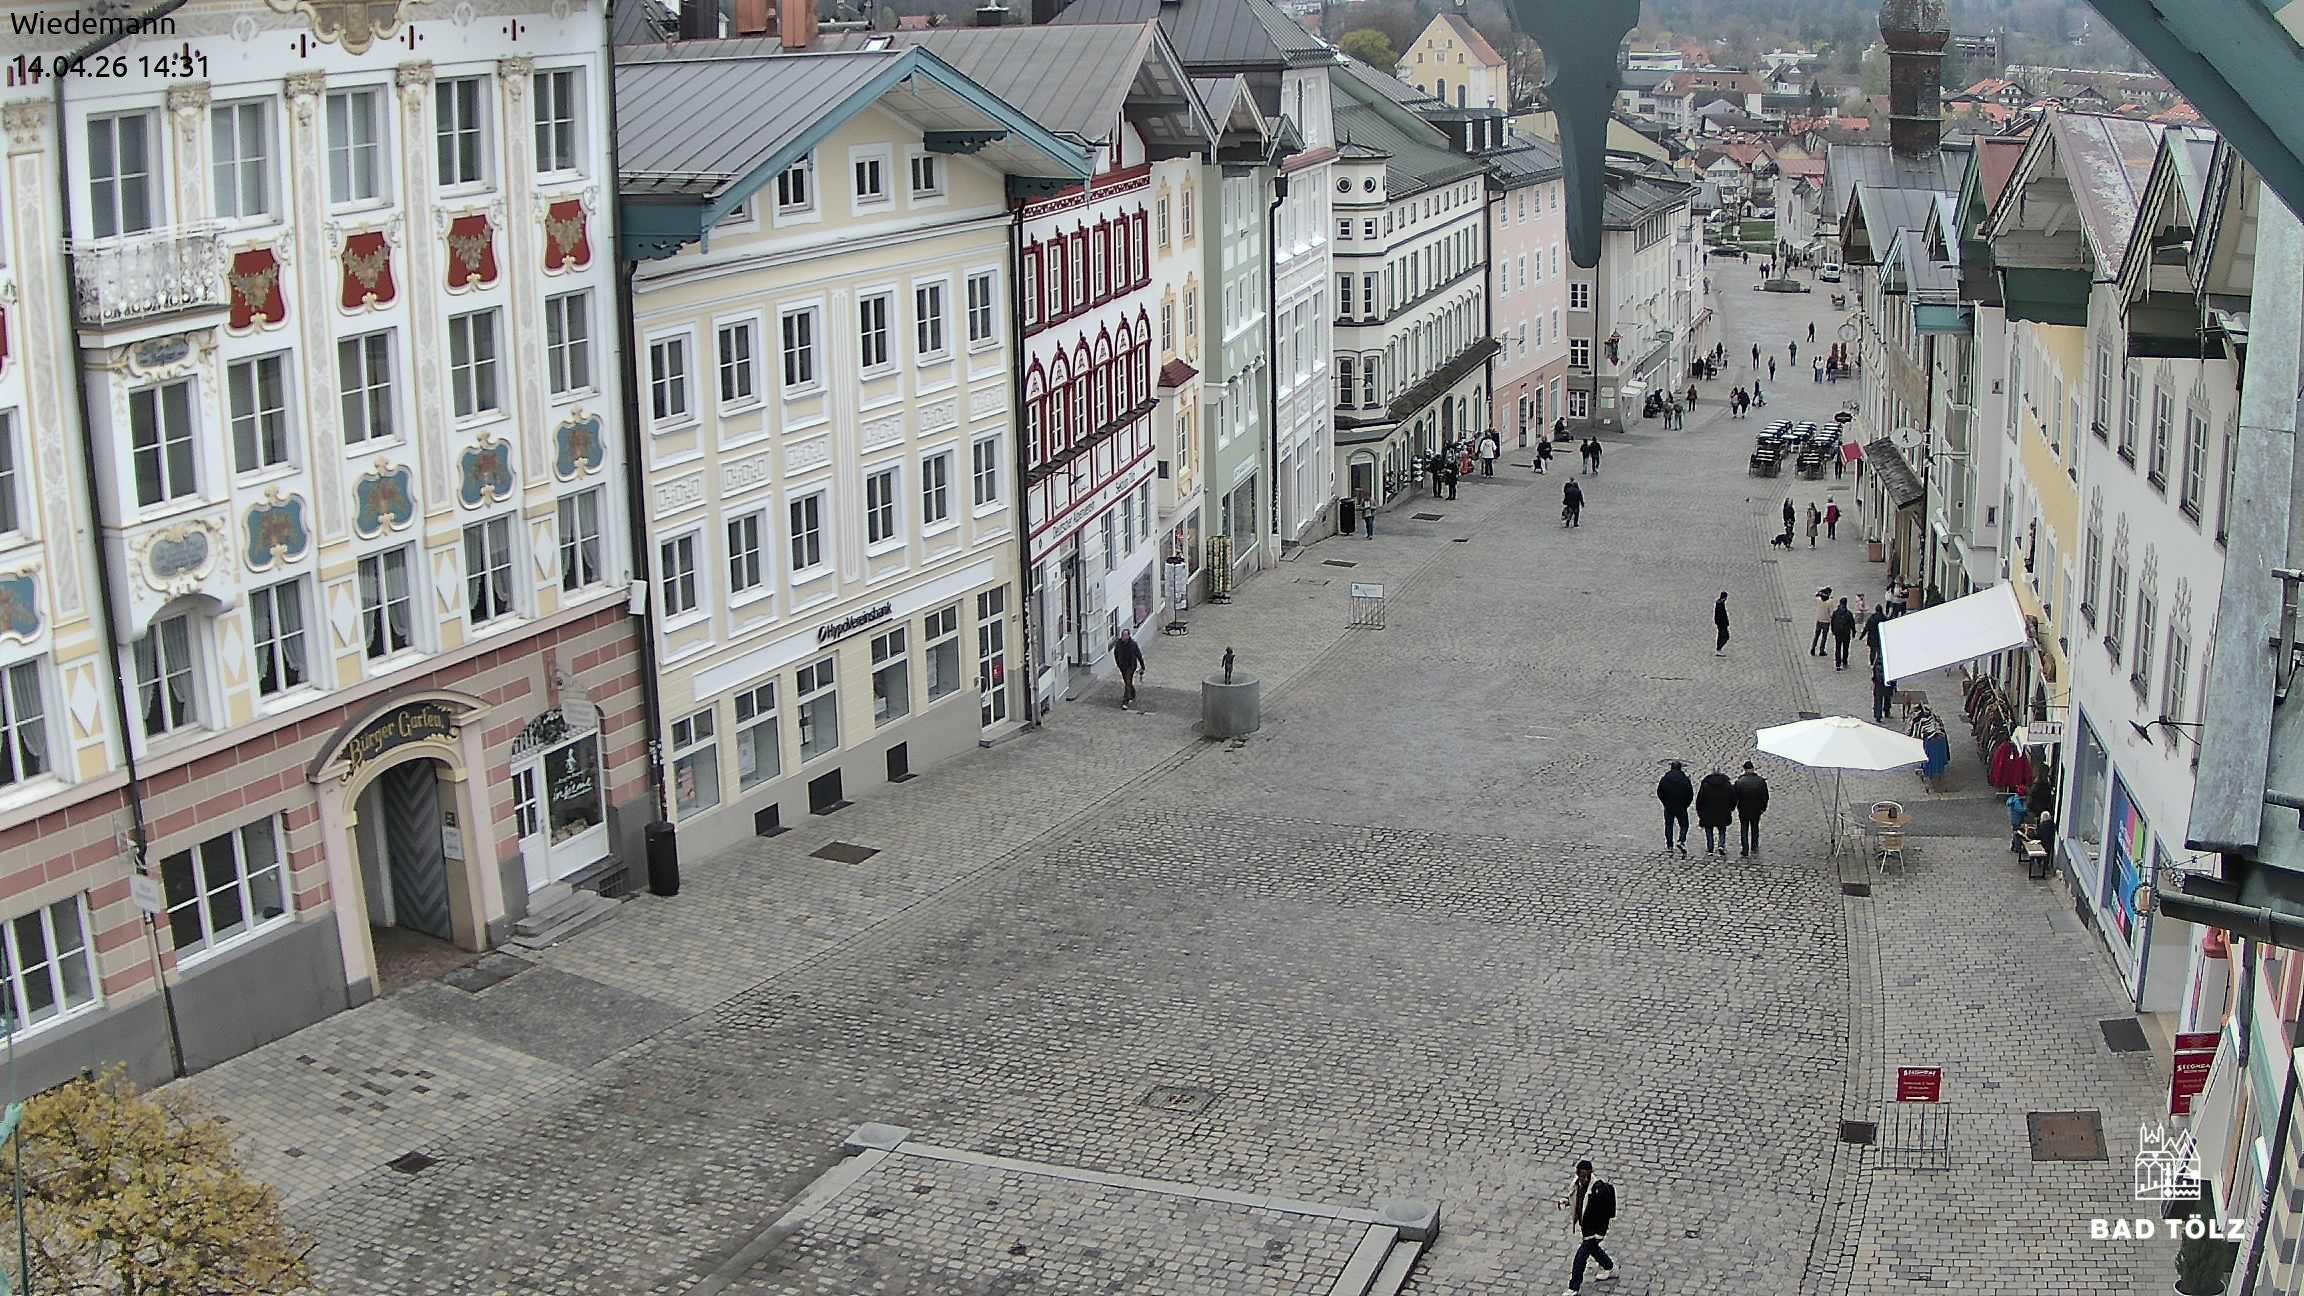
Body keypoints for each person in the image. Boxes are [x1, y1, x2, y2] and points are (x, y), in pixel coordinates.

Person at [1561, 1160, 1620, 1293]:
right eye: (1583, 1176)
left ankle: (1573, 1288)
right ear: (1577, 1174)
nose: (1585, 1179)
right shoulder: (1578, 1184)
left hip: (1595, 1231)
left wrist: (1598, 1235)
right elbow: (1580, 1200)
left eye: (1588, 1175)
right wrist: (1568, 1201)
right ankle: (1610, 1268)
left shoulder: (1598, 1191)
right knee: (1593, 1250)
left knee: (1580, 1258)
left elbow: (1604, 1215)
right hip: (1587, 1229)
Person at [1696, 767, 1737, 856]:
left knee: (1709, 830)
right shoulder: (1727, 784)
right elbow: (1733, 798)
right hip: (1723, 812)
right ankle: (1721, 845)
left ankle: (1710, 848)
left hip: (1708, 813)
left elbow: (1700, 800)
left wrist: (1700, 812)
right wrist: (1731, 808)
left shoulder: (1705, 784)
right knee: (1722, 829)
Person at [1733, 761, 1770, 857]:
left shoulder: (1739, 782)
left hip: (1743, 809)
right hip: (1756, 809)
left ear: (1744, 769)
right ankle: (1754, 846)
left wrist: (1735, 806)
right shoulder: (1760, 781)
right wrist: (1763, 808)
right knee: (1755, 827)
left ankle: (1745, 849)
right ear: (1753, 769)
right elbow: (1765, 796)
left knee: (1744, 829)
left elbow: (1735, 796)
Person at [1656, 761, 1693, 855]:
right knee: (1684, 825)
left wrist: (1665, 802)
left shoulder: (1665, 779)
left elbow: (1660, 792)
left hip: (1669, 806)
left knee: (1669, 825)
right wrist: (1686, 804)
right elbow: (1690, 794)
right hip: (1681, 806)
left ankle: (1669, 845)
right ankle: (1681, 840)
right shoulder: (1684, 779)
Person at [1112, 629, 1146, 707]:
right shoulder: (1118, 644)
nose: (1124, 637)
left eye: (1125, 635)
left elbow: (1139, 655)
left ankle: (1125, 700)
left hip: (1131, 666)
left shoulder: (1133, 644)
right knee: (1127, 681)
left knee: (1127, 681)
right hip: (1123, 666)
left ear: (1128, 636)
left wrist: (1142, 666)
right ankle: (1132, 693)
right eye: (1123, 635)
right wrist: (1118, 664)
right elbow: (1116, 654)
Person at [1830, 596, 1857, 670]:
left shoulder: (1835, 612)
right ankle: (1844, 661)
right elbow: (1852, 624)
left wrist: (1833, 631)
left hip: (1838, 633)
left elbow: (1832, 622)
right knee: (1846, 648)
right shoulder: (1848, 613)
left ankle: (1838, 663)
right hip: (1846, 633)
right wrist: (1854, 632)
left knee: (1838, 648)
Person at [1811, 588, 1833, 656]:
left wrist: (1821, 592)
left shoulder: (1818, 600)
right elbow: (1831, 613)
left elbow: (1816, 594)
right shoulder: (1829, 602)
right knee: (1824, 637)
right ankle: (1821, 650)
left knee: (1816, 635)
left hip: (1819, 620)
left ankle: (1813, 648)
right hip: (1826, 621)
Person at [1713, 591, 1730, 655]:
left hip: (1720, 623)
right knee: (1725, 636)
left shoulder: (1719, 603)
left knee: (1721, 636)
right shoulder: (1720, 604)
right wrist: (1725, 623)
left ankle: (1719, 648)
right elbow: (1722, 615)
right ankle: (1719, 649)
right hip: (1722, 624)